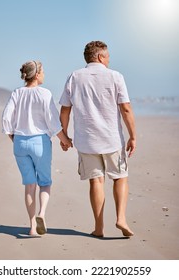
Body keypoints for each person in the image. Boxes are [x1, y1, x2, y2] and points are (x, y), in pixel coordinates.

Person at [59, 41, 136, 238]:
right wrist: (133, 136)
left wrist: (65, 136)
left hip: (87, 140)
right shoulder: (115, 76)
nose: (109, 59)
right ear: (100, 56)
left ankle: (99, 227)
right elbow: (125, 108)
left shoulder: (74, 77)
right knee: (120, 176)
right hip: (112, 140)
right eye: (107, 55)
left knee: (96, 181)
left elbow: (65, 109)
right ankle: (121, 218)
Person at [2, 60, 72, 236]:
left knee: (29, 185)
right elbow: (53, 122)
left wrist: (14, 137)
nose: (45, 75)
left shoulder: (16, 93)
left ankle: (32, 227)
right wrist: (65, 140)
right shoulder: (44, 93)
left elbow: (6, 118)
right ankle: (42, 214)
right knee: (45, 182)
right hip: (39, 142)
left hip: (20, 142)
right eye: (44, 71)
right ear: (38, 74)